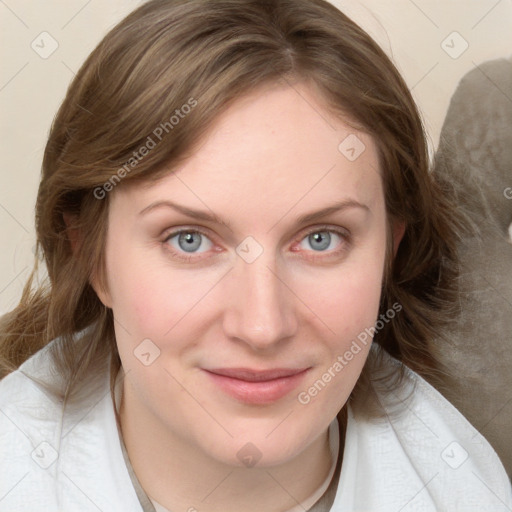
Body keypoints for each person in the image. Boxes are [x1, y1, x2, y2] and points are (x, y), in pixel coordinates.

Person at [0, 0, 510, 510]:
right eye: (189, 240)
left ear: (388, 255)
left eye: (320, 239)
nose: (263, 327)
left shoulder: (471, 490)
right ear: (91, 255)